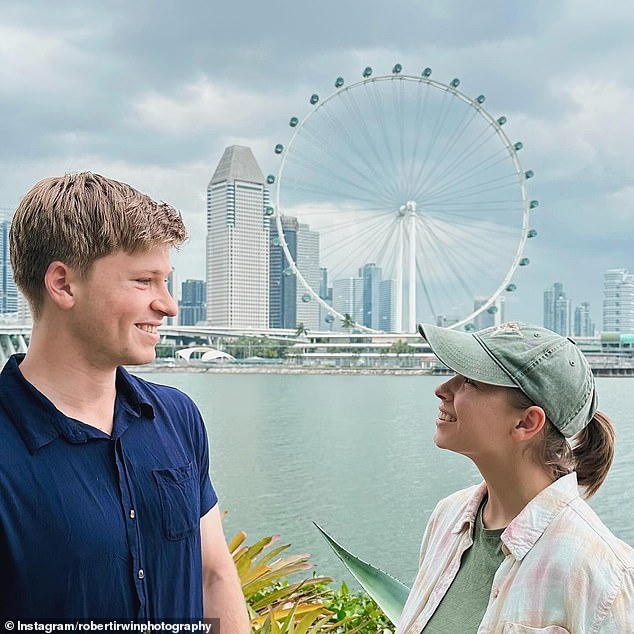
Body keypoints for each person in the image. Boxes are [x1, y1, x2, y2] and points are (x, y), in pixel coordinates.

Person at [0, 172, 250, 630]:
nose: (169, 305)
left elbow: (213, 575)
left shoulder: (177, 418)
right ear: (63, 284)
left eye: (166, 281)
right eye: (143, 281)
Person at [396, 321, 634, 634]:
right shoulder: (448, 517)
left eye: (470, 380)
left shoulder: (602, 572)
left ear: (525, 422)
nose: (442, 390)